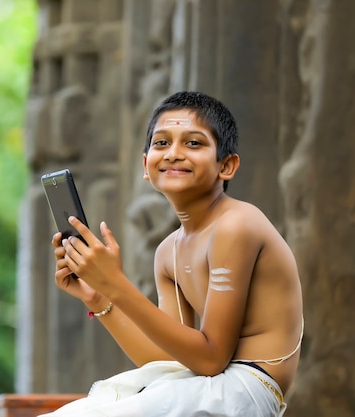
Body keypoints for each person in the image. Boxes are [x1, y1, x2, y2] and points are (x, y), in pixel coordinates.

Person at [41, 91, 304, 417]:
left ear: (227, 165)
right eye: (161, 143)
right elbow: (169, 361)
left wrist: (116, 285)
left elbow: (210, 359)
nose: (174, 154)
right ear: (146, 166)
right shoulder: (168, 251)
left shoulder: (236, 225)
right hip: (206, 386)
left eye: (193, 143)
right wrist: (100, 299)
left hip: (248, 389)